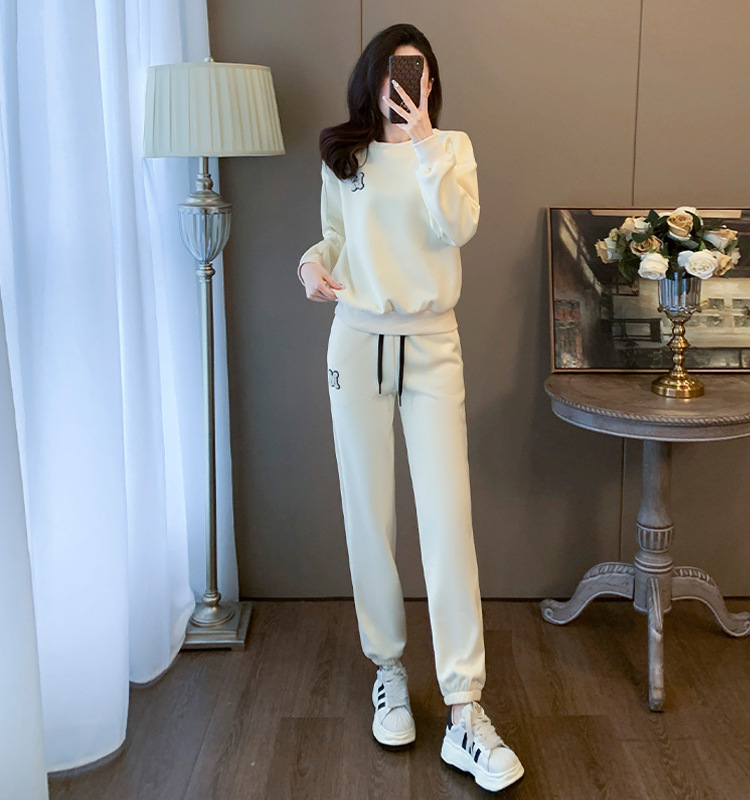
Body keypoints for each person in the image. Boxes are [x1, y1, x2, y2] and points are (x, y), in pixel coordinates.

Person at [297, 23, 524, 793]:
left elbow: (457, 225)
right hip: (356, 339)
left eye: (420, 72)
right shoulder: (345, 156)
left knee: (447, 519)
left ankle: (464, 708)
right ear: (373, 74)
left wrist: (425, 142)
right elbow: (335, 237)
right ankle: (389, 672)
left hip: (432, 343)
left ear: (431, 83)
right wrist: (311, 265)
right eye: (397, 69)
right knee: (368, 513)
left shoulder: (450, 148)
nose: (409, 82)